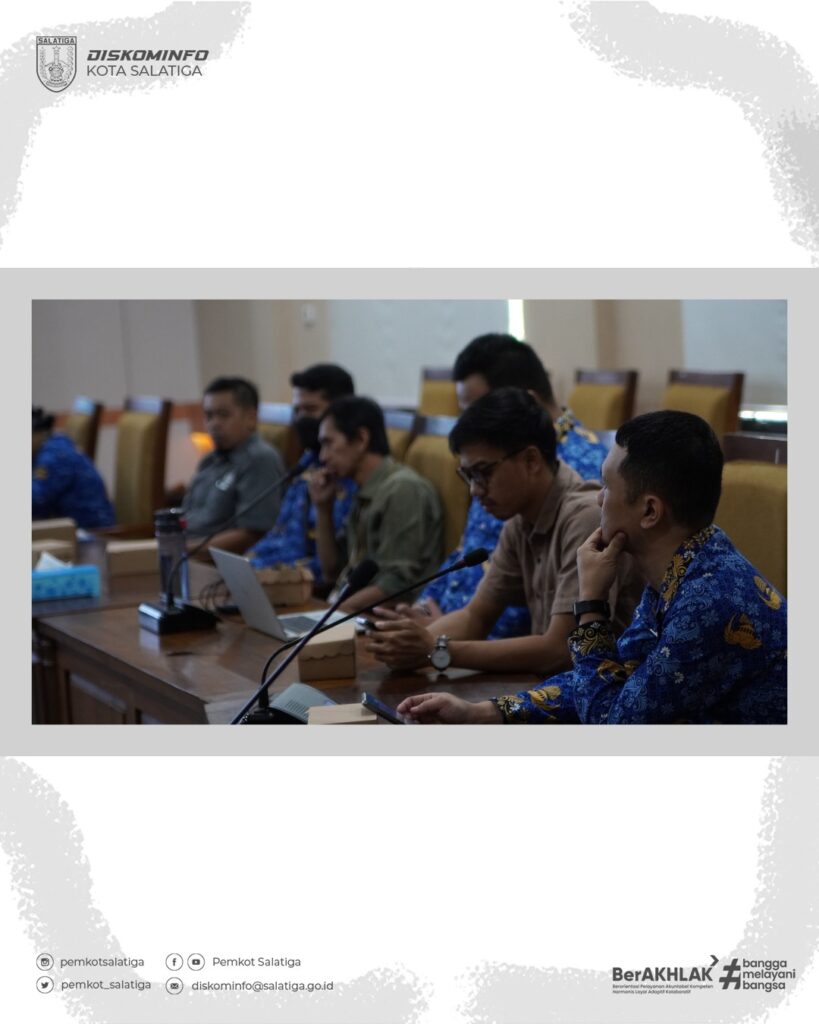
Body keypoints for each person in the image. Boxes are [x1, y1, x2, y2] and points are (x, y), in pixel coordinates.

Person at [397, 411, 787, 725]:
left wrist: (591, 604)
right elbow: (613, 678)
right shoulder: (684, 566)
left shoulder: (708, 600)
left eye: (606, 486)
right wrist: (483, 712)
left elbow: (612, 724)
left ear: (650, 511)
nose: (598, 498)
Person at [368, 388, 638, 676]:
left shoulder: (585, 518)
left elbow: (560, 650)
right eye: (468, 476)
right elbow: (475, 616)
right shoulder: (519, 522)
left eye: (483, 472)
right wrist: (405, 643)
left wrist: (437, 649)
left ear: (531, 461)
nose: (474, 490)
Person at [417, 334, 609, 639]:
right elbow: (465, 557)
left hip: (501, 649)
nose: (471, 423)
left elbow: (544, 624)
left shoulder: (578, 477)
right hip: (453, 633)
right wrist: (421, 620)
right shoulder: (492, 474)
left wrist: (440, 645)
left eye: (482, 408)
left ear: (524, 401)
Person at [310, 396, 444, 613]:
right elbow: (332, 572)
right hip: (353, 612)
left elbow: (397, 584)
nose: (323, 456)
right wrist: (323, 509)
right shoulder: (363, 490)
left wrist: (333, 615)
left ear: (361, 439)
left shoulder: (402, 489)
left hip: (387, 618)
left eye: (328, 443)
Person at [248, 364, 357, 581]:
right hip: (269, 576)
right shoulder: (308, 462)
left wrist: (264, 574)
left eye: (310, 409)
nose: (300, 419)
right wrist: (246, 564)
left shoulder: (351, 476)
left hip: (304, 586)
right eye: (297, 410)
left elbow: (330, 568)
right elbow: (280, 533)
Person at [182, 377, 285, 554]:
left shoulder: (260, 460)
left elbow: (253, 535)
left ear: (251, 418)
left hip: (213, 560)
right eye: (209, 416)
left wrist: (182, 552)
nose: (214, 424)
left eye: (223, 415)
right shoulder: (209, 460)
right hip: (185, 551)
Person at [32, 407, 115, 528]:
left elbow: (36, 502)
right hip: (68, 527)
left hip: (89, 531)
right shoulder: (51, 444)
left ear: (38, 433)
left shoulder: (55, 456)